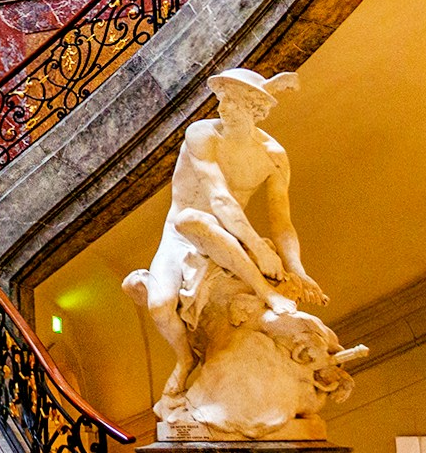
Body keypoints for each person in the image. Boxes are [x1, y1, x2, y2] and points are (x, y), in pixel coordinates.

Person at [123, 68, 327, 401]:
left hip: (228, 236)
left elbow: (282, 221)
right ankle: (185, 359)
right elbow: (219, 197)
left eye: (233, 101)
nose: (222, 108)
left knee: (206, 226)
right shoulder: (202, 134)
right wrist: (258, 248)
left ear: (255, 108)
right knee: (160, 305)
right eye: (221, 99)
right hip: (182, 235)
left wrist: (298, 270)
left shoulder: (273, 156)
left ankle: (266, 292)